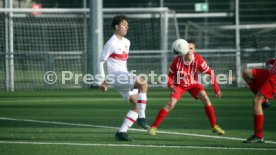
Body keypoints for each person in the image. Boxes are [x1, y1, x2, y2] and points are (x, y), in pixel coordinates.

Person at [148, 39, 225, 136]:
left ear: (194, 50)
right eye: (186, 48)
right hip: (179, 85)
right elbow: (170, 76)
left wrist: (216, 89)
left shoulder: (198, 60)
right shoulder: (177, 61)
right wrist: (170, 85)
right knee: (171, 104)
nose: (188, 50)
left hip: (193, 84)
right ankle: (154, 127)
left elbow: (210, 73)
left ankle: (214, 126)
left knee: (206, 99)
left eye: (191, 48)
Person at [97, 15, 149, 141]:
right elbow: (100, 62)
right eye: (124, 24)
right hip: (116, 77)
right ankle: (142, 118)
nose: (127, 27)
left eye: (127, 24)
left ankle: (121, 132)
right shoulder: (111, 43)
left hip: (124, 76)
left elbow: (121, 63)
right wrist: (103, 81)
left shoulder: (127, 42)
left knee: (136, 105)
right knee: (143, 83)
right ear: (116, 26)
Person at [242, 58, 276, 143]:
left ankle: (258, 135)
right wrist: (273, 61)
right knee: (246, 73)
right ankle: (264, 101)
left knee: (256, 101)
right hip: (271, 74)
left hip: (274, 79)